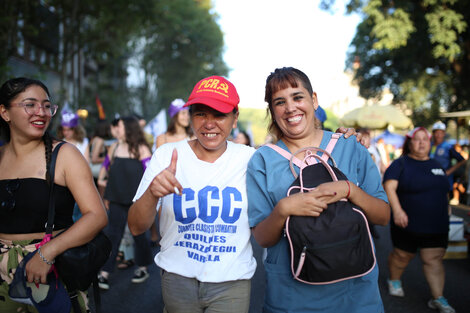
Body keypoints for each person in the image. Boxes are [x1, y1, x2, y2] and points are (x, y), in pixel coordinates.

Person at [246, 67, 390, 313]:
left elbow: (384, 216)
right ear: (272, 111)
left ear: (313, 99)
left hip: (356, 295)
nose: (290, 108)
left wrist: (349, 190)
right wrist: (283, 209)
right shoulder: (262, 160)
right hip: (292, 298)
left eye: (297, 97)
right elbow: (262, 238)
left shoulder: (350, 146)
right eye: (280, 102)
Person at [0, 77, 107, 312]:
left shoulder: (65, 155)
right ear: (5, 112)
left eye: (47, 106)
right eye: (30, 104)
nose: (42, 112)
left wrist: (46, 254)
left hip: (50, 269)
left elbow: (97, 216)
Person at [383, 127, 456, 313]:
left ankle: (438, 298)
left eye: (426, 139)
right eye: (417, 139)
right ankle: (394, 279)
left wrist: (447, 207)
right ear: (410, 142)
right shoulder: (401, 164)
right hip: (407, 223)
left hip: (436, 225)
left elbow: (443, 191)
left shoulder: (437, 165)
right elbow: (389, 187)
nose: (422, 142)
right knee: (402, 256)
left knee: (434, 260)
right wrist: (397, 211)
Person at [97, 116, 153, 289]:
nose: (116, 129)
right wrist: (102, 185)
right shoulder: (114, 147)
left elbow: (150, 174)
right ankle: (105, 273)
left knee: (140, 234)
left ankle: (142, 267)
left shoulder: (142, 149)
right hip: (116, 199)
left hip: (137, 201)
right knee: (113, 234)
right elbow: (105, 168)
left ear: (128, 128)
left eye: (119, 126)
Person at [149, 98, 193, 246]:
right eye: (182, 114)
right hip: (168, 186)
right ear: (174, 116)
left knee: (188, 227)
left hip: (189, 185)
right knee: (167, 229)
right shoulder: (162, 138)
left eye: (188, 113)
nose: (186, 117)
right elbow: (158, 164)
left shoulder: (193, 137)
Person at [430, 121, 466, 204]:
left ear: (444, 134)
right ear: (433, 133)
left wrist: (449, 172)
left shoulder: (448, 147)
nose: (438, 135)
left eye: (440, 133)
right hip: (431, 178)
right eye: (436, 132)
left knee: (444, 201)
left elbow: (462, 160)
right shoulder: (429, 145)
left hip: (443, 178)